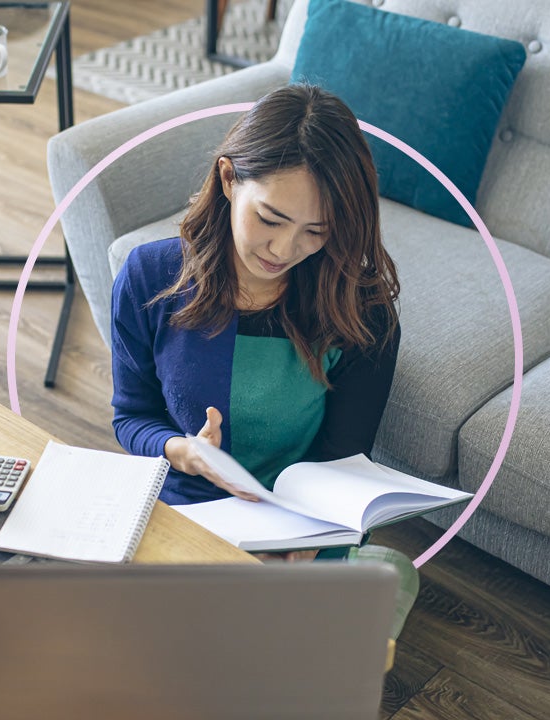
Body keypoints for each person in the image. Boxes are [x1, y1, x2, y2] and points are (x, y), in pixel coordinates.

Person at [110, 83, 401, 561]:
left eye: (316, 231)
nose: (283, 250)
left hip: (303, 527)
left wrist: (308, 544)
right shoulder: (149, 278)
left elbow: (344, 464)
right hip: (192, 510)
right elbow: (132, 417)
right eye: (269, 218)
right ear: (228, 179)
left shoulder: (362, 310)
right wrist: (179, 451)